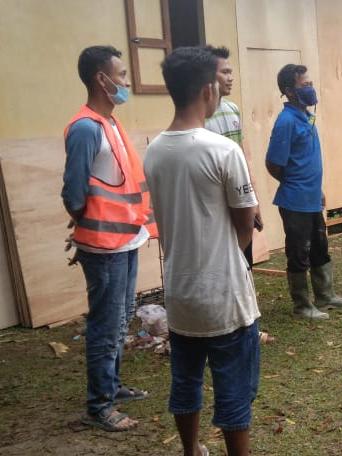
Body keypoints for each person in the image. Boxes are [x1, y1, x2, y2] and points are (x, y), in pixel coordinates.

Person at [144, 47, 260, 456]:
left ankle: (191, 449)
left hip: (179, 292)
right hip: (224, 295)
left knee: (186, 379)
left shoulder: (154, 149)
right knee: (233, 387)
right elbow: (246, 221)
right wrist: (229, 256)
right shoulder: (222, 150)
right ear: (208, 90)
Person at [61, 45, 156, 432]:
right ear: (101, 79)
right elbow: (73, 194)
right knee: (105, 325)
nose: (126, 82)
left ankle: (112, 387)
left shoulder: (110, 125)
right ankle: (99, 406)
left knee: (119, 321)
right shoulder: (86, 128)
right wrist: (90, 224)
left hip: (126, 240)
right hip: (103, 248)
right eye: (120, 75)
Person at [265, 64, 342, 320]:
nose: (311, 89)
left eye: (311, 84)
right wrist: (295, 184)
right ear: (289, 91)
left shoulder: (306, 116)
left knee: (320, 247)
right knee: (298, 251)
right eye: (305, 85)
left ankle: (325, 295)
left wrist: (316, 189)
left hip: (312, 198)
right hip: (294, 201)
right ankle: (302, 306)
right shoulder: (286, 121)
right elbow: (273, 163)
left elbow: (306, 160)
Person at [204, 45, 263, 268]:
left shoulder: (232, 109)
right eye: (224, 72)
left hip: (240, 196)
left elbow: (242, 156)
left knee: (244, 261)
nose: (230, 78)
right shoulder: (200, 116)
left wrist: (254, 201)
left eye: (231, 72)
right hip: (216, 203)